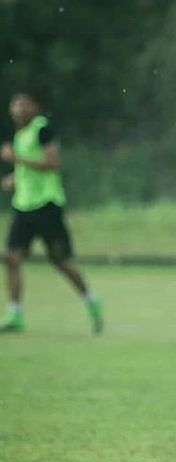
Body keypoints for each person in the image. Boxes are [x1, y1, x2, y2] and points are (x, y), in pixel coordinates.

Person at [0, 90, 102, 334]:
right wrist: (16, 179)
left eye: (24, 103)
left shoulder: (42, 129)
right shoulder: (20, 134)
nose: (18, 108)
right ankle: (15, 314)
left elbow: (53, 163)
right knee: (11, 258)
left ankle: (91, 300)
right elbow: (30, 166)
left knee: (60, 261)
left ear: (35, 107)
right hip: (23, 206)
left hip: (47, 206)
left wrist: (17, 160)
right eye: (15, 103)